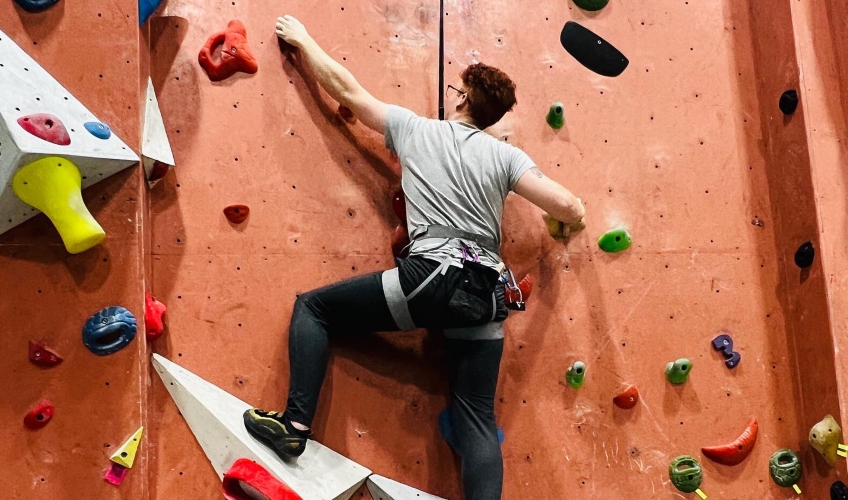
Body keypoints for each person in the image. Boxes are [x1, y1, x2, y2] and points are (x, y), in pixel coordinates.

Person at [244, 14, 586, 500]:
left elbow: (347, 89)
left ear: (465, 98)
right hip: (488, 292)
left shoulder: (415, 129)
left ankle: (295, 424)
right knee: (477, 418)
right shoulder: (507, 157)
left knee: (314, 309)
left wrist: (302, 39)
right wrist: (577, 217)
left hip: (431, 277)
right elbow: (567, 205)